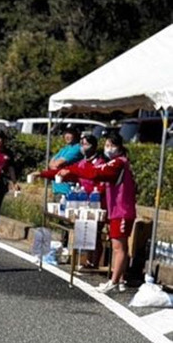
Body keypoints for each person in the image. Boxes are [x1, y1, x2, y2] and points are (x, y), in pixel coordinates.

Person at [57, 130, 137, 293]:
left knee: (118, 247)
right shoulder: (113, 163)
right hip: (115, 210)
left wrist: (74, 171)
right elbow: (95, 171)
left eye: (111, 145)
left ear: (119, 147)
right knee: (118, 247)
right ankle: (118, 279)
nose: (108, 148)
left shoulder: (118, 163)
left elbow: (95, 173)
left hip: (122, 210)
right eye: (106, 145)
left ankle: (114, 281)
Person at [35, 133, 106, 268]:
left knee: (95, 233)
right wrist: (42, 174)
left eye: (86, 144)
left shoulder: (100, 163)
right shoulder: (82, 163)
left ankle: (94, 262)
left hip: (96, 201)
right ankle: (83, 260)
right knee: (84, 231)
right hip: (83, 201)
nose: (83, 147)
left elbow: (101, 183)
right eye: (82, 144)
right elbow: (64, 171)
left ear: (94, 146)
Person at [49, 125, 84, 199]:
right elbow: (51, 163)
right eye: (65, 133)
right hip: (58, 189)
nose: (67, 136)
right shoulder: (65, 148)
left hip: (68, 191)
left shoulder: (77, 148)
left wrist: (55, 164)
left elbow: (58, 163)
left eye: (70, 133)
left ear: (76, 135)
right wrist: (54, 164)